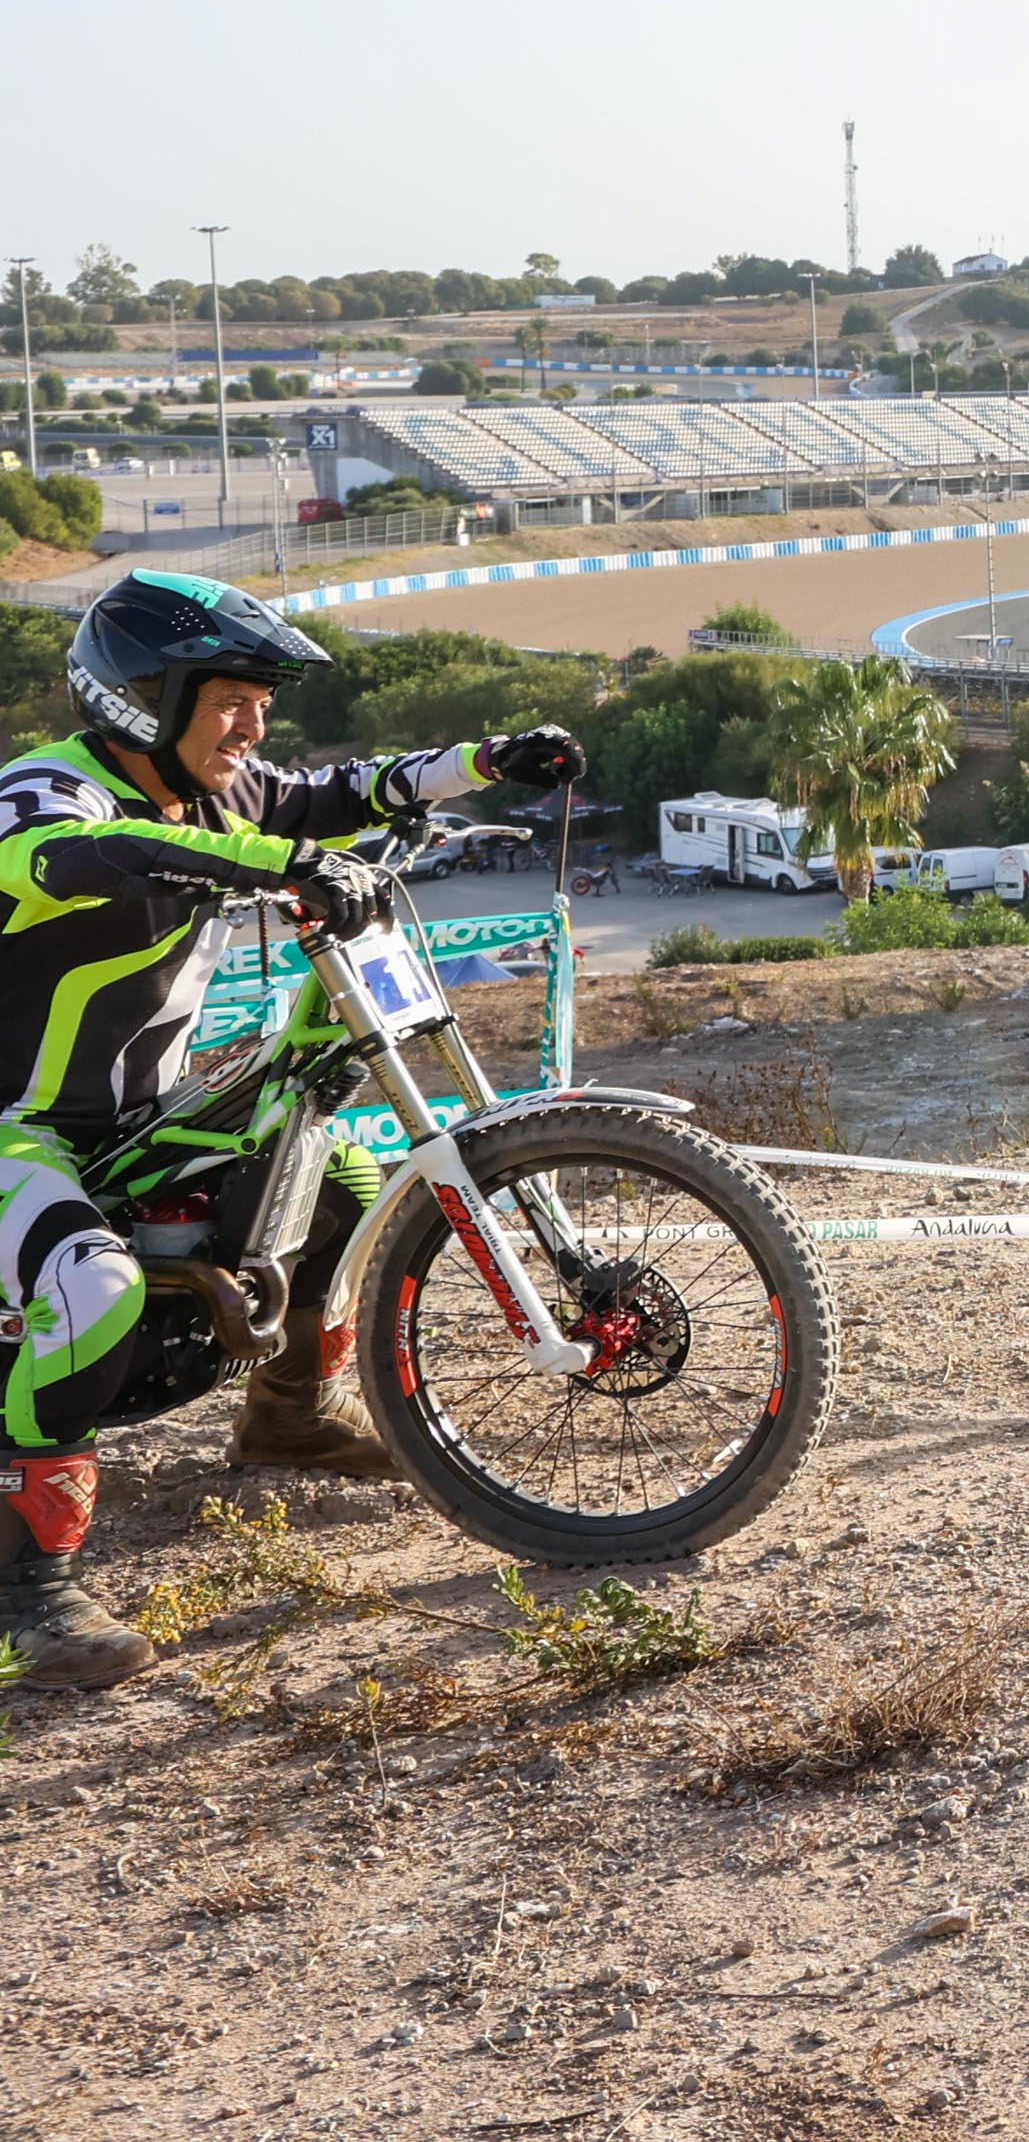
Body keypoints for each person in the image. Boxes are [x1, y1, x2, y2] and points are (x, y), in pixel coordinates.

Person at [0, 572, 583, 1686]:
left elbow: (335, 793)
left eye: (264, 699)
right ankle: (27, 1597)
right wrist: (283, 862)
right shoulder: (43, 793)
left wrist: (489, 758)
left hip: (126, 1123)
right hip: (15, 1127)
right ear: (142, 697)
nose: (255, 724)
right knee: (91, 1284)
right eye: (230, 699)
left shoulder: (213, 791)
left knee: (343, 1181)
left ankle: (284, 1420)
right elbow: (94, 858)